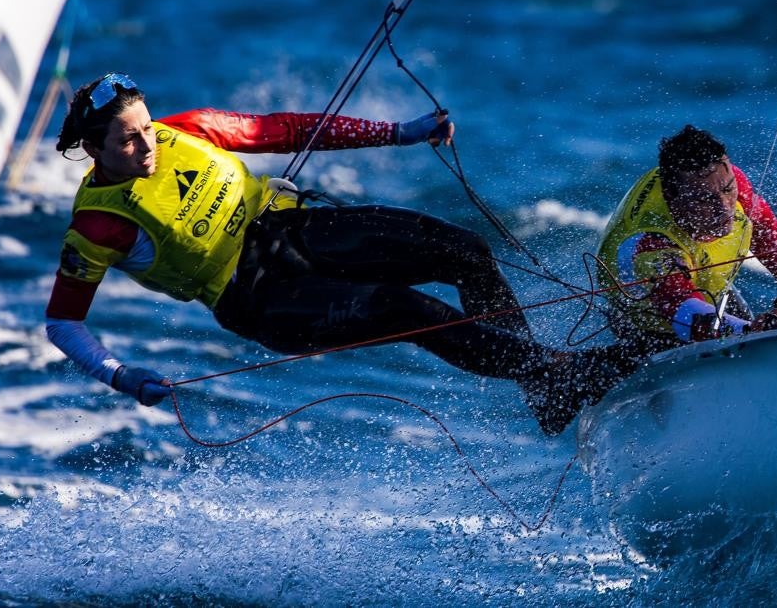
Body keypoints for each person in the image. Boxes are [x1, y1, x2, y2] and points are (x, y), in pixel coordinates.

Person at [46, 73, 633, 435]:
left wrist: (399, 132)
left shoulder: (188, 131)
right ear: (95, 147)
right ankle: (558, 373)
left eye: (147, 127)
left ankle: (548, 389)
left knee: (465, 250)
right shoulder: (100, 224)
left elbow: (285, 129)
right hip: (257, 296)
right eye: (129, 139)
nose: (148, 144)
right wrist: (119, 376)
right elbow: (62, 321)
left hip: (292, 231)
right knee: (401, 309)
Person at [596, 124, 777, 355]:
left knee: (744, 343)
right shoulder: (653, 243)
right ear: (672, 198)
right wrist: (753, 330)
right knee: (671, 354)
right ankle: (569, 364)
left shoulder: (719, 178)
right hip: (649, 312)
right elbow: (686, 312)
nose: (725, 207)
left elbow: (765, 231)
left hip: (700, 277)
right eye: (705, 200)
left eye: (728, 190)